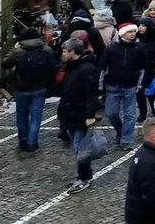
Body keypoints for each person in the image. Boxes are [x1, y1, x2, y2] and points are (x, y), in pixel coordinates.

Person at [1, 28, 57, 152]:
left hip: (21, 88)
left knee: (22, 115)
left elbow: (5, 64)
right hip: (40, 87)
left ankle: (23, 140)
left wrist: (13, 50)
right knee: (36, 115)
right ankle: (32, 142)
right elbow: (53, 69)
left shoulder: (18, 52)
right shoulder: (46, 50)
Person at [58, 38, 100, 194]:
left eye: (65, 51)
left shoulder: (86, 69)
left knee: (80, 148)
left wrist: (90, 115)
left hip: (80, 113)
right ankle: (84, 174)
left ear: (73, 52)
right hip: (71, 113)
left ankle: (84, 176)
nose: (63, 54)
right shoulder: (72, 67)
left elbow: (91, 94)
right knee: (78, 147)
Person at [99, 23, 145, 151]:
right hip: (112, 86)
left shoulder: (139, 48)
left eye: (134, 32)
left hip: (130, 86)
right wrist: (100, 85)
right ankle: (121, 132)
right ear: (122, 33)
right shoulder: (111, 48)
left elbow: (142, 68)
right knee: (111, 113)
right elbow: (103, 67)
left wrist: (140, 84)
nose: (132, 34)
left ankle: (126, 140)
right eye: (129, 32)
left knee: (130, 115)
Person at [125, 117, 155, 224]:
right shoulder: (150, 161)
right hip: (146, 217)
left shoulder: (148, 153)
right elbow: (153, 193)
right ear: (153, 137)